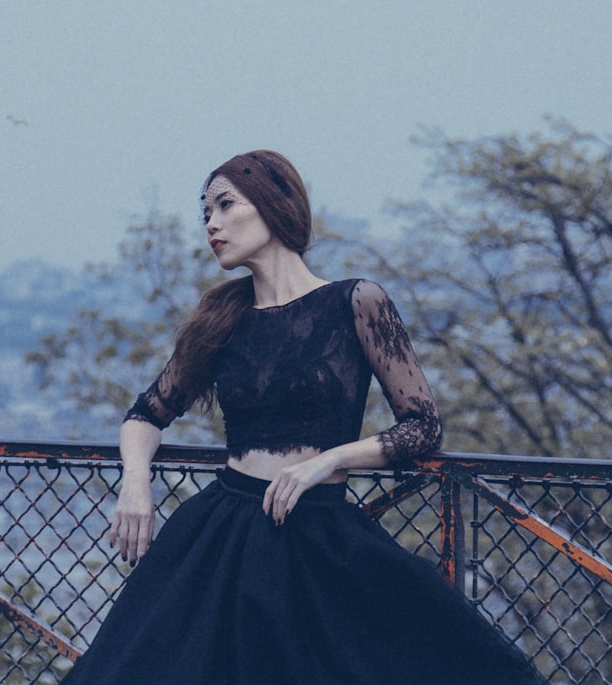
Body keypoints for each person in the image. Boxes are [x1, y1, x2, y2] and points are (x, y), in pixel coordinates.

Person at [61, 150, 546, 684]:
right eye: (205, 214)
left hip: (319, 533)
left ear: (275, 205)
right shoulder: (220, 319)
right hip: (222, 534)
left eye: (225, 206)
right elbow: (144, 415)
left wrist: (328, 461)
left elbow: (423, 425)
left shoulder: (356, 302)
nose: (212, 225)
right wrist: (136, 483)